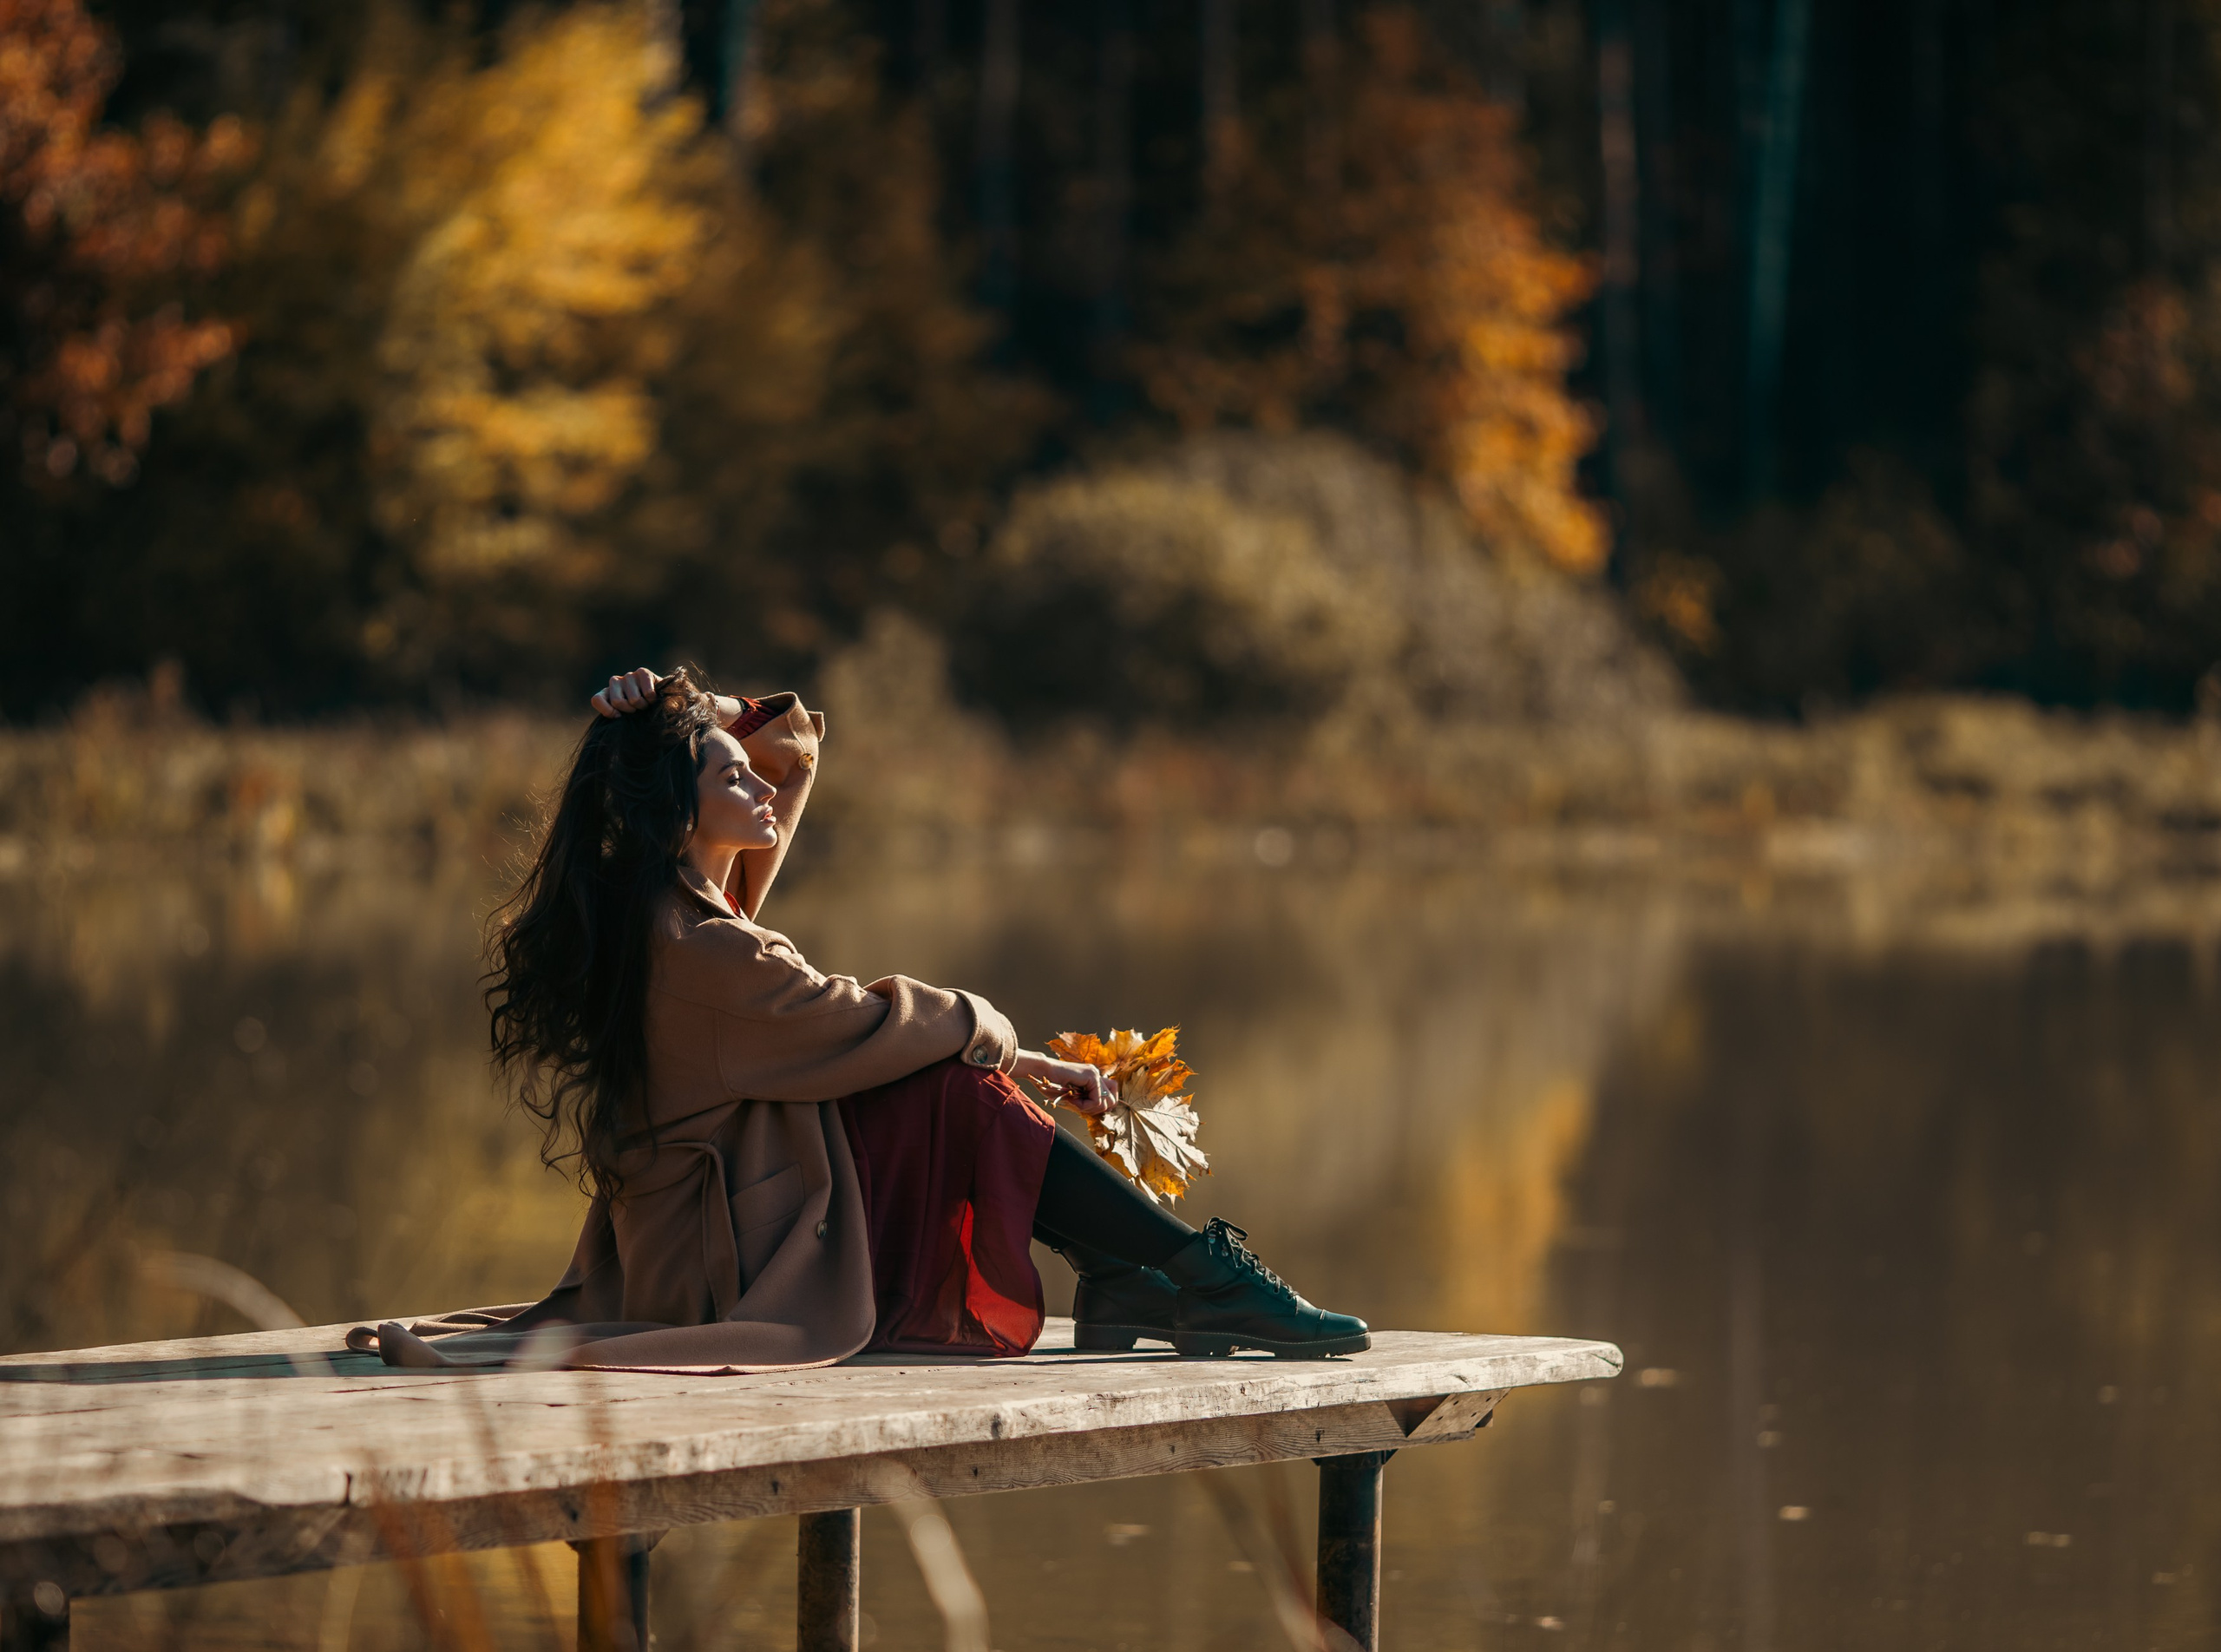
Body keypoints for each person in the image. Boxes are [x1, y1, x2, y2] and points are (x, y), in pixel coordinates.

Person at [359, 667, 1366, 1372]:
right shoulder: (708, 948)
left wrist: (700, 708)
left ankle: (1141, 1273)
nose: (757, 781)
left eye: (741, 768)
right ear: (677, 809)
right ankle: (1187, 1270)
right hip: (726, 1265)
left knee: (949, 1074)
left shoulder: (676, 903)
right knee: (956, 1082)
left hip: (702, 1236)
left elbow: (793, 742)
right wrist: (1017, 1042)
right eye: (726, 772)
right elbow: (873, 1020)